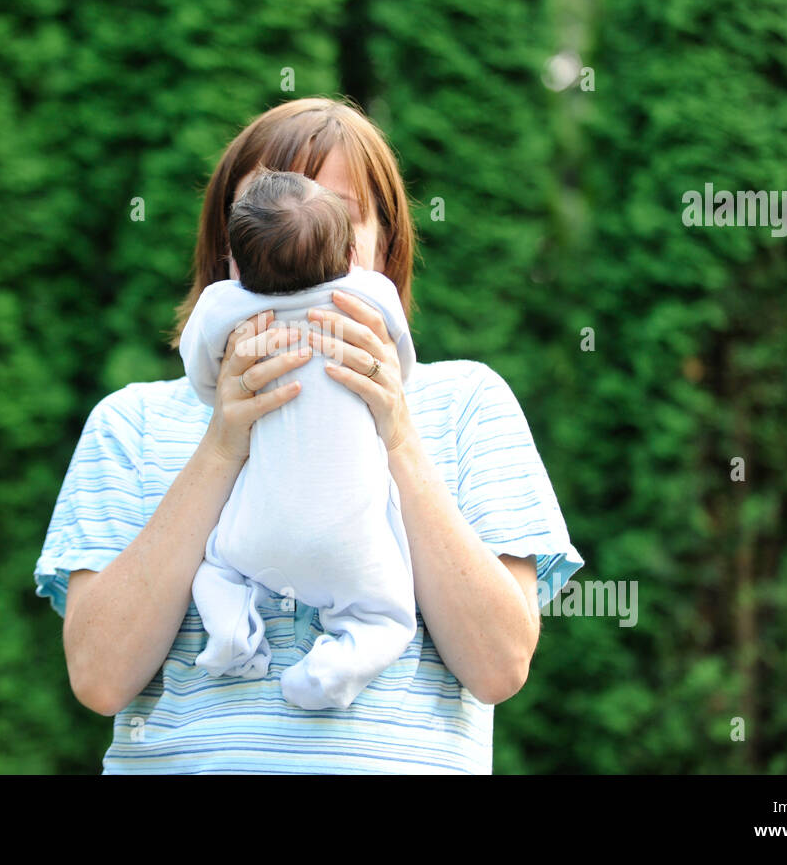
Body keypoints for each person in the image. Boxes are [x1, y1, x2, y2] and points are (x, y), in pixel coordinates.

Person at [35, 96, 585, 773]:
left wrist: (399, 439)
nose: (303, 241)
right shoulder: (131, 423)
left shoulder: (468, 404)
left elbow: (499, 664)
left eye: (339, 216)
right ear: (226, 251)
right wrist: (220, 447)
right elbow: (98, 676)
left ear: (383, 249)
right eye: (269, 212)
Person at [178, 168, 418, 710]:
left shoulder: (223, 303)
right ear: (352, 256)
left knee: (216, 568)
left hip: (255, 536)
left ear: (235, 262)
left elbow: (199, 375)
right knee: (386, 617)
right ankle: (332, 673)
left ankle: (233, 636)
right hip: (352, 540)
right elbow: (400, 367)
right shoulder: (372, 292)